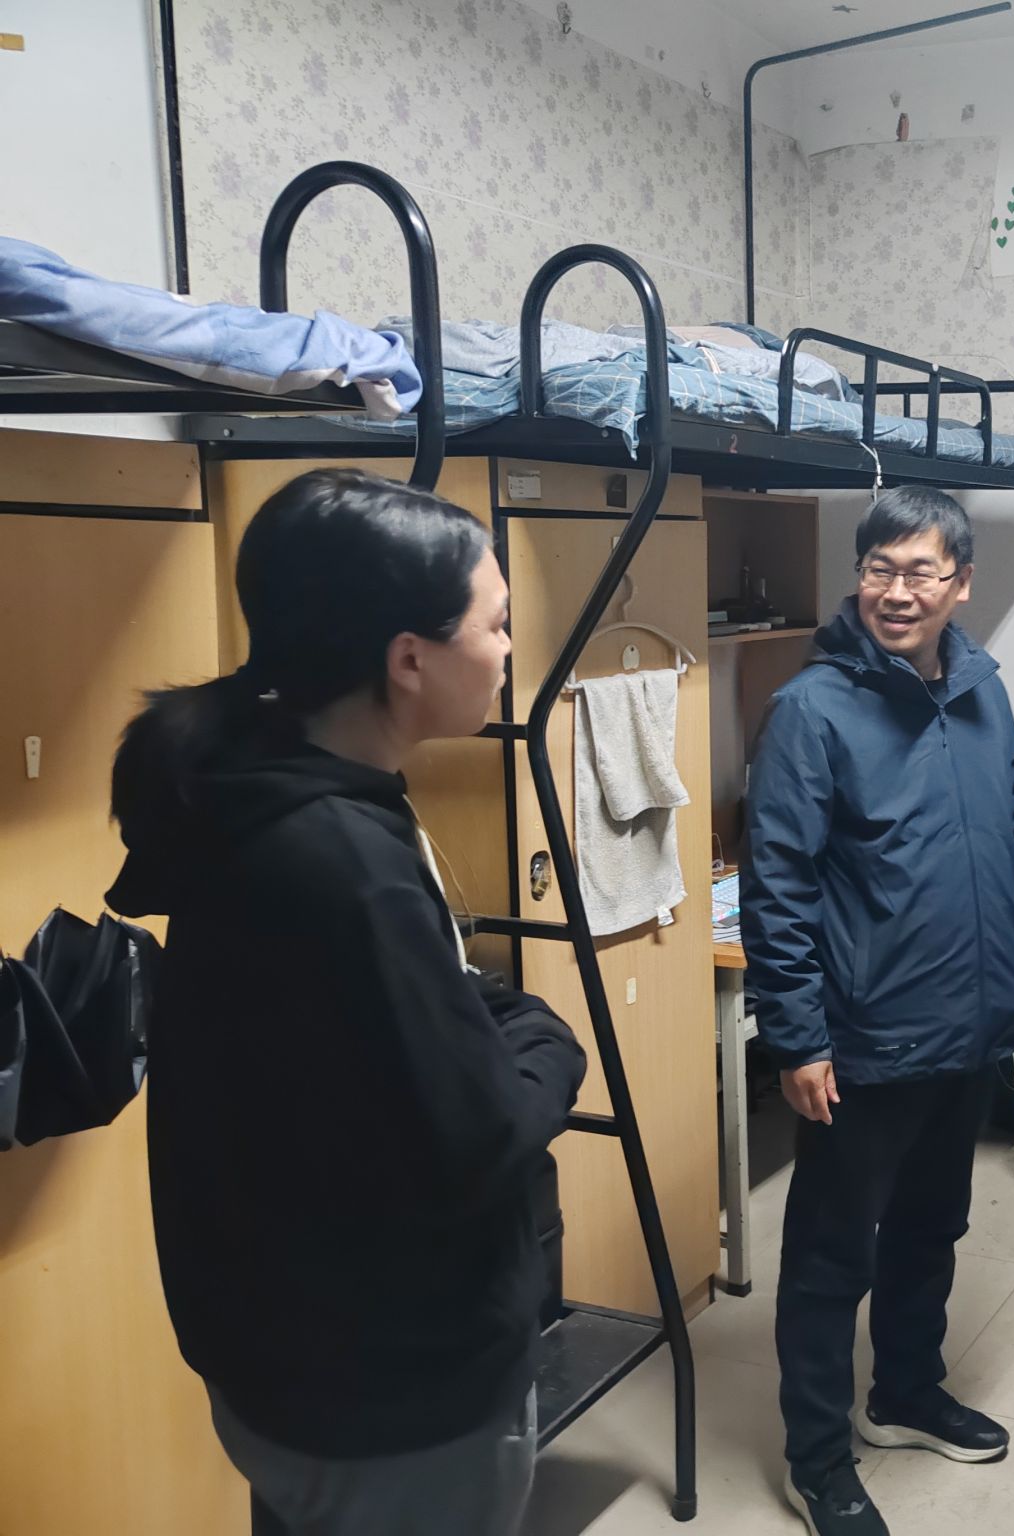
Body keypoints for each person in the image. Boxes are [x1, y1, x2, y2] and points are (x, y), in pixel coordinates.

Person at [107, 468, 586, 1536]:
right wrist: (551, 1039)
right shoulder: (342, 864)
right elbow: (480, 1133)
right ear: (408, 659)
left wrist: (471, 1011)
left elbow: (382, 1033)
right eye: (496, 624)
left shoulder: (249, 789)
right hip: (393, 1395)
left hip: (283, 1357)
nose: (510, 650)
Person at [745, 486, 1014, 1536]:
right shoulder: (811, 710)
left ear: (961, 585)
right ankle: (818, 1459)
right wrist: (797, 1037)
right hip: (863, 1038)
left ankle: (905, 1393)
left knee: (930, 1227)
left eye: (920, 572)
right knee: (832, 1258)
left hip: (967, 1022)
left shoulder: (982, 691)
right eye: (879, 568)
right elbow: (776, 886)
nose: (896, 591)